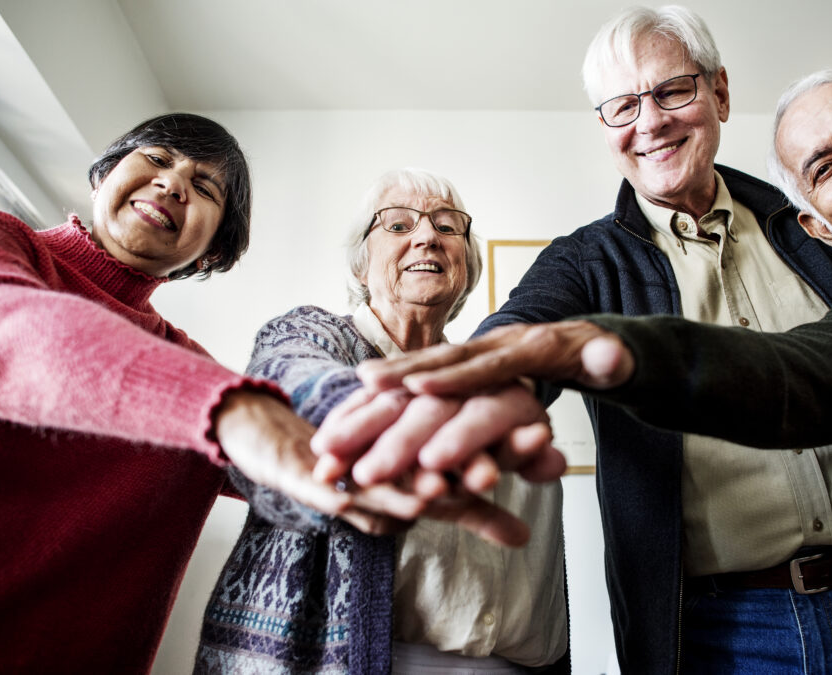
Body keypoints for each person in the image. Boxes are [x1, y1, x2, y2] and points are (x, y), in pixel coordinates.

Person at [314, 9, 832, 673]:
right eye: (622, 106)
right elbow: (522, 331)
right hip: (723, 632)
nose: (651, 122)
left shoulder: (819, 216)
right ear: (604, 127)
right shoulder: (582, 261)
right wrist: (474, 390)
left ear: (719, 92)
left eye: (673, 90)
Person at [0, 114, 508, 673]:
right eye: (158, 158)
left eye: (204, 187)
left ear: (214, 250)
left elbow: (297, 471)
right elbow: (6, 326)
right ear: (103, 174)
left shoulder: (190, 368)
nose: (172, 184)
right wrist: (237, 413)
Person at [195, 169, 569, 674]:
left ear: (466, 262)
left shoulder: (495, 381)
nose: (427, 236)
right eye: (397, 225)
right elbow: (290, 381)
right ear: (361, 263)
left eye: (447, 226)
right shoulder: (311, 333)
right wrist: (361, 417)